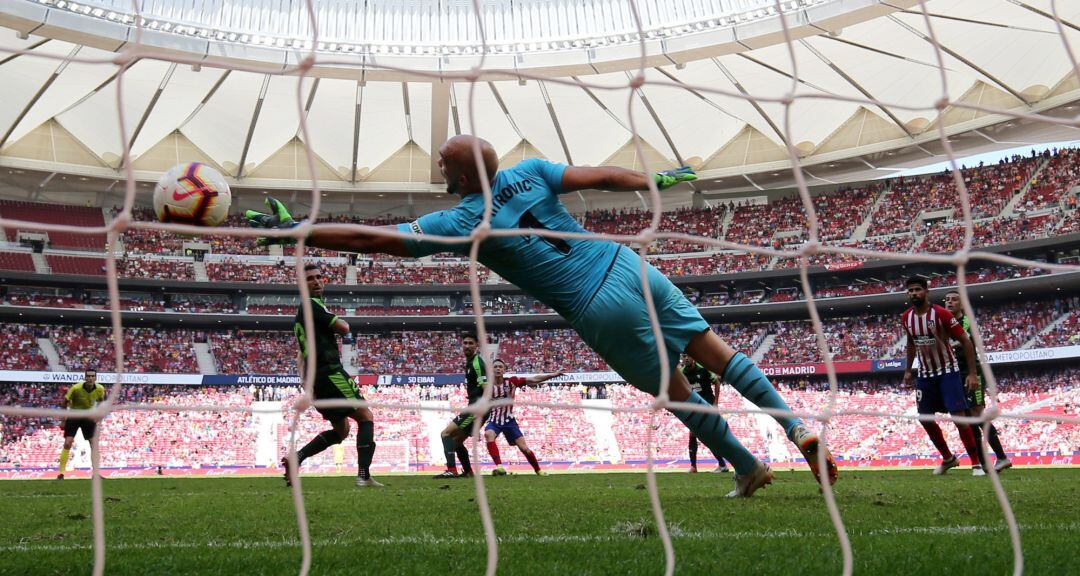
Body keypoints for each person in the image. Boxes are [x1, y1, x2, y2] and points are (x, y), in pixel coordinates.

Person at [248, 134, 837, 497]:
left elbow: (370, 238)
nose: (438, 169)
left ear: (457, 176)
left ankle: (747, 465)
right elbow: (605, 177)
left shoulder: (461, 221)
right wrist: (652, 180)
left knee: (679, 391)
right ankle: (797, 426)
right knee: (720, 354)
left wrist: (296, 231)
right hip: (624, 262)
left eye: (441, 163)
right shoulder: (529, 171)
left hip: (596, 304)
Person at [284, 263, 380, 487]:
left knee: (342, 430)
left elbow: (300, 355)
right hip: (330, 372)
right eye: (310, 279)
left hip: (317, 379)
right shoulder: (312, 306)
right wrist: (343, 322)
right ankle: (364, 476)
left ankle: (297, 457)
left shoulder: (303, 314)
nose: (316, 281)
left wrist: (308, 387)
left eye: (319, 277)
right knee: (365, 416)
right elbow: (344, 328)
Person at [901, 277, 984, 477]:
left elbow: (966, 341)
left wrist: (972, 374)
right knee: (925, 418)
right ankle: (948, 458)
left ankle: (976, 464)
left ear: (926, 292)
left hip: (948, 372)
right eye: (910, 290)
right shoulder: (906, 317)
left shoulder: (941, 314)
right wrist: (908, 369)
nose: (914, 293)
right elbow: (911, 343)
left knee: (959, 419)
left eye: (917, 290)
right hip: (925, 375)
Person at [943, 290, 1012, 472]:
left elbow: (962, 341)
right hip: (955, 374)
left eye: (954, 299)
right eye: (947, 300)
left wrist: (943, 345)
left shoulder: (965, 321)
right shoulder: (943, 323)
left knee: (977, 416)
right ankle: (983, 463)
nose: (950, 302)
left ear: (962, 304)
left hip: (971, 373)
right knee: (969, 419)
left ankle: (1001, 457)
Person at [484, 358, 564, 476]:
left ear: (504, 370)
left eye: (500, 367)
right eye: (495, 367)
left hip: (509, 421)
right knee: (488, 434)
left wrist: (553, 375)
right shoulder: (486, 386)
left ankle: (538, 470)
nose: (497, 369)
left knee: (524, 448)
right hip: (494, 421)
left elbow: (534, 379)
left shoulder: (512, 381)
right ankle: (500, 467)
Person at [433, 333, 486, 479]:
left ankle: (451, 469)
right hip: (475, 406)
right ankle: (468, 471)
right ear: (461, 345)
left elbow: (487, 387)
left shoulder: (477, 363)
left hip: (477, 408)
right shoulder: (470, 362)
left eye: (471, 343)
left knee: (445, 434)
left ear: (477, 346)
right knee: (455, 443)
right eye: (465, 343)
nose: (467, 346)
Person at [681, 353, 729, 473]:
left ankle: (722, 464)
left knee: (706, 436)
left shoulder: (703, 370)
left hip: (708, 407)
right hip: (694, 408)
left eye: (688, 356)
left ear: (693, 357)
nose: (686, 358)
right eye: (683, 356)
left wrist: (716, 403)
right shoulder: (682, 373)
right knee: (694, 435)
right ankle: (694, 466)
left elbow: (717, 382)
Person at [57, 369, 105, 480]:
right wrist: (63, 420)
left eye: (93, 376)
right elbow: (64, 403)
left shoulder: (100, 389)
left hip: (88, 416)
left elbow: (102, 403)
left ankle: (96, 474)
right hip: (74, 415)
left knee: (94, 444)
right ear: (85, 377)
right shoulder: (76, 388)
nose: (90, 378)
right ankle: (61, 473)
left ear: (95, 378)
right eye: (88, 376)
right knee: (68, 442)